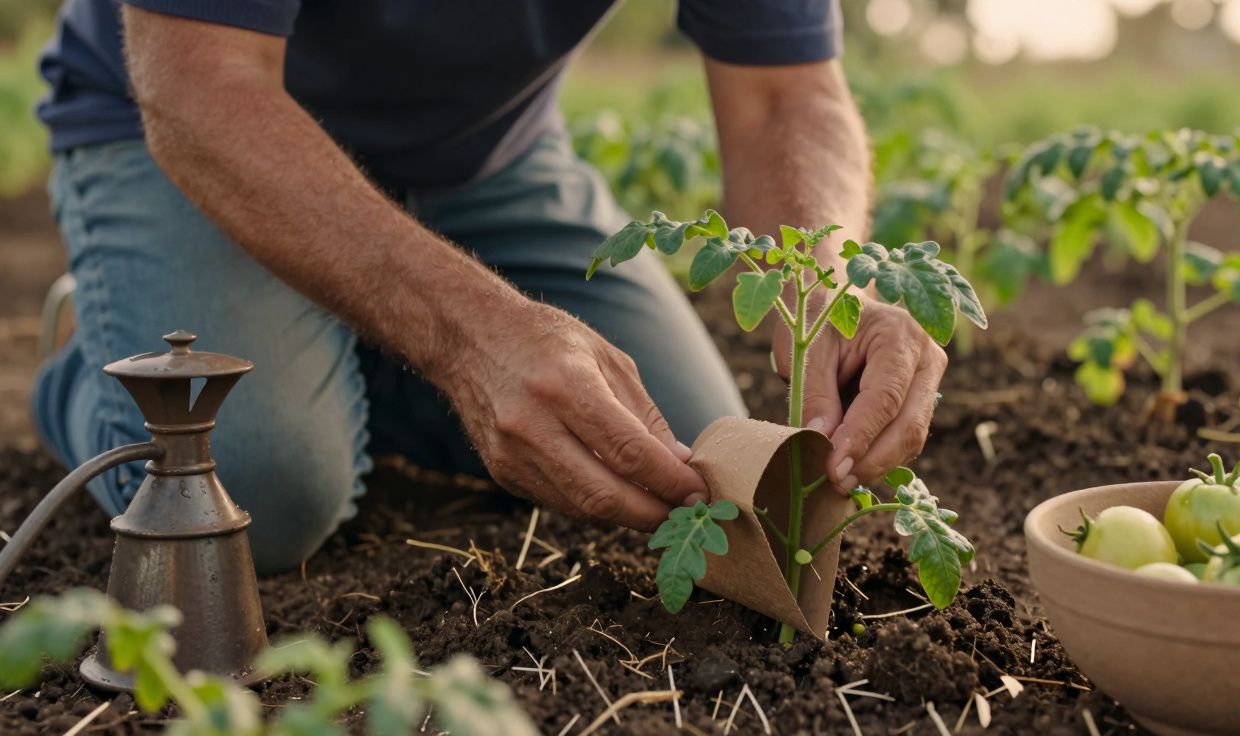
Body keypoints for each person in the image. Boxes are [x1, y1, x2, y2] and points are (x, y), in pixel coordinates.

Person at [31, 0, 948, 573]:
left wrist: (819, 286)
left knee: (678, 458)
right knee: (260, 490)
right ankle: (102, 351)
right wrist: (470, 337)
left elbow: (784, 94)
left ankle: (332, 342)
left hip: (485, 162)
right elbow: (202, 87)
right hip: (202, 136)